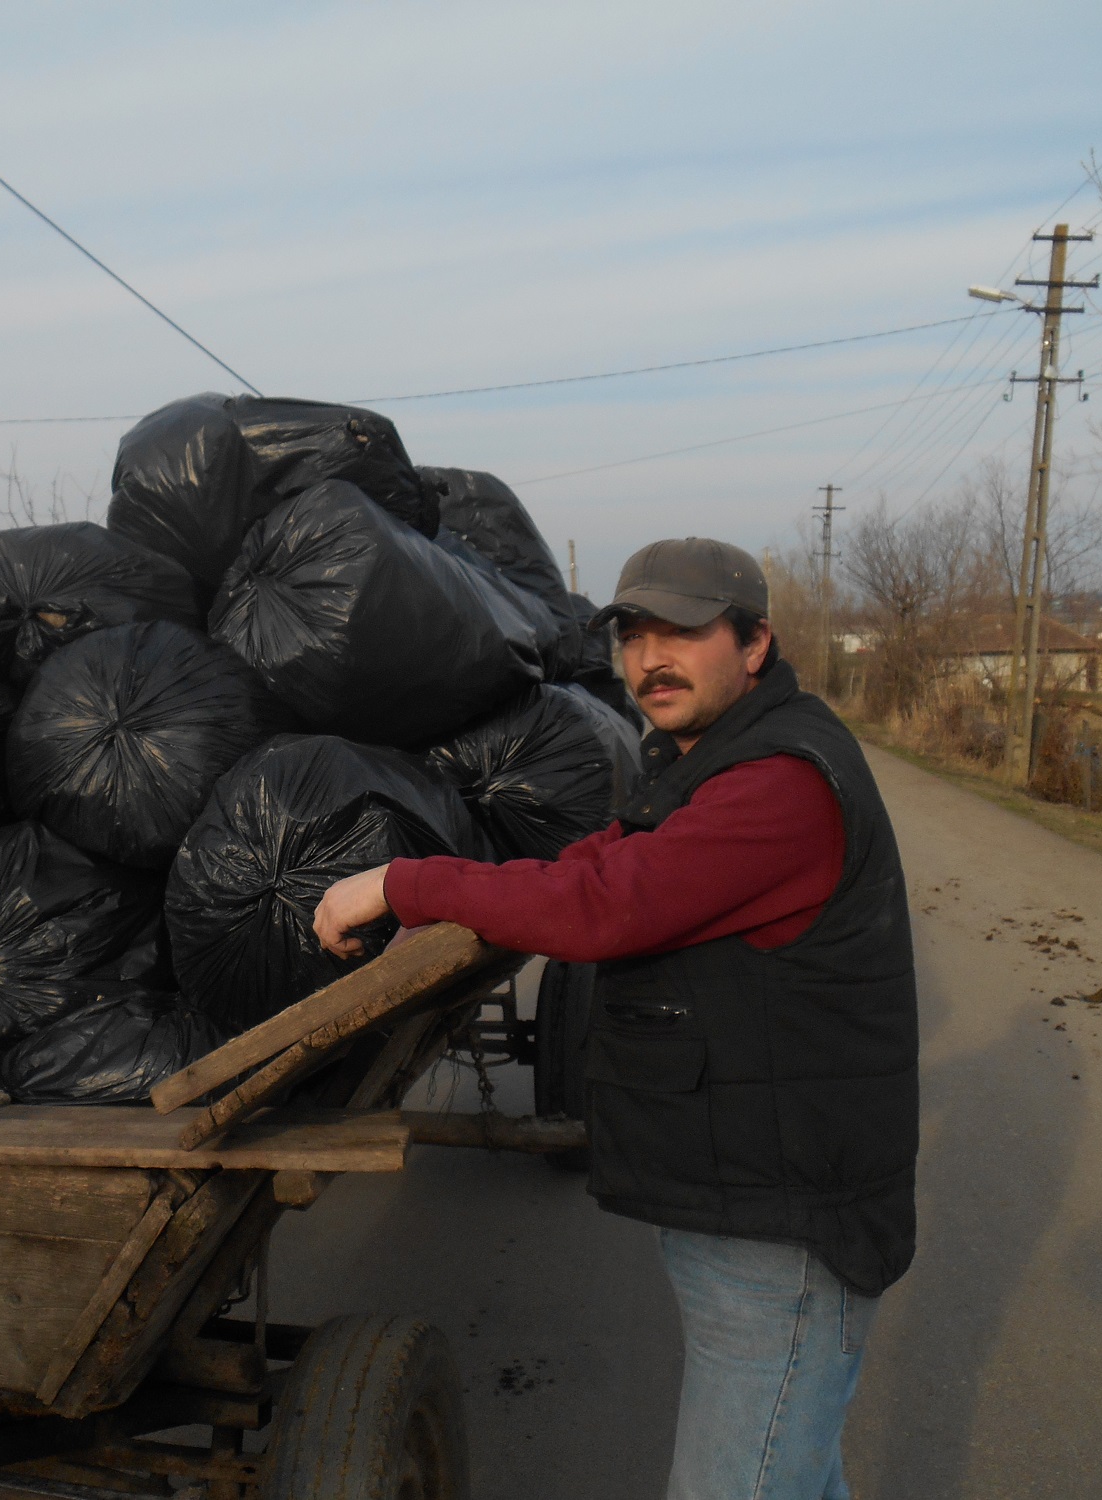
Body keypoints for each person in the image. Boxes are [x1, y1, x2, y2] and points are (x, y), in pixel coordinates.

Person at [314, 537, 918, 1500]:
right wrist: (431, 912)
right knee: (790, 1474)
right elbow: (585, 869)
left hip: (785, 1227)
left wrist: (400, 879)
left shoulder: (780, 785)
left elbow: (603, 910)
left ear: (755, 643)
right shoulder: (704, 764)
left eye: (680, 631)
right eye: (633, 636)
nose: (649, 661)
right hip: (749, 1193)